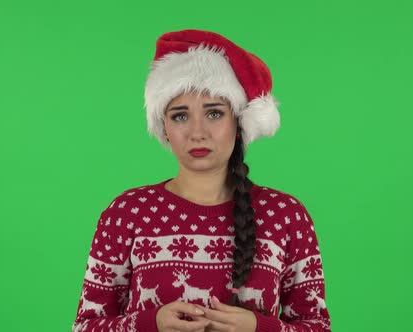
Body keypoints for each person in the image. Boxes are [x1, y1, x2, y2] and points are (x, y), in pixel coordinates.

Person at [72, 29, 332, 332]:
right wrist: (150, 323)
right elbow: (85, 327)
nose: (198, 132)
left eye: (214, 113)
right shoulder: (127, 213)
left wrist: (259, 328)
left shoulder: (286, 216)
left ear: (238, 124)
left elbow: (317, 327)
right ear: (164, 128)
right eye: (180, 116)